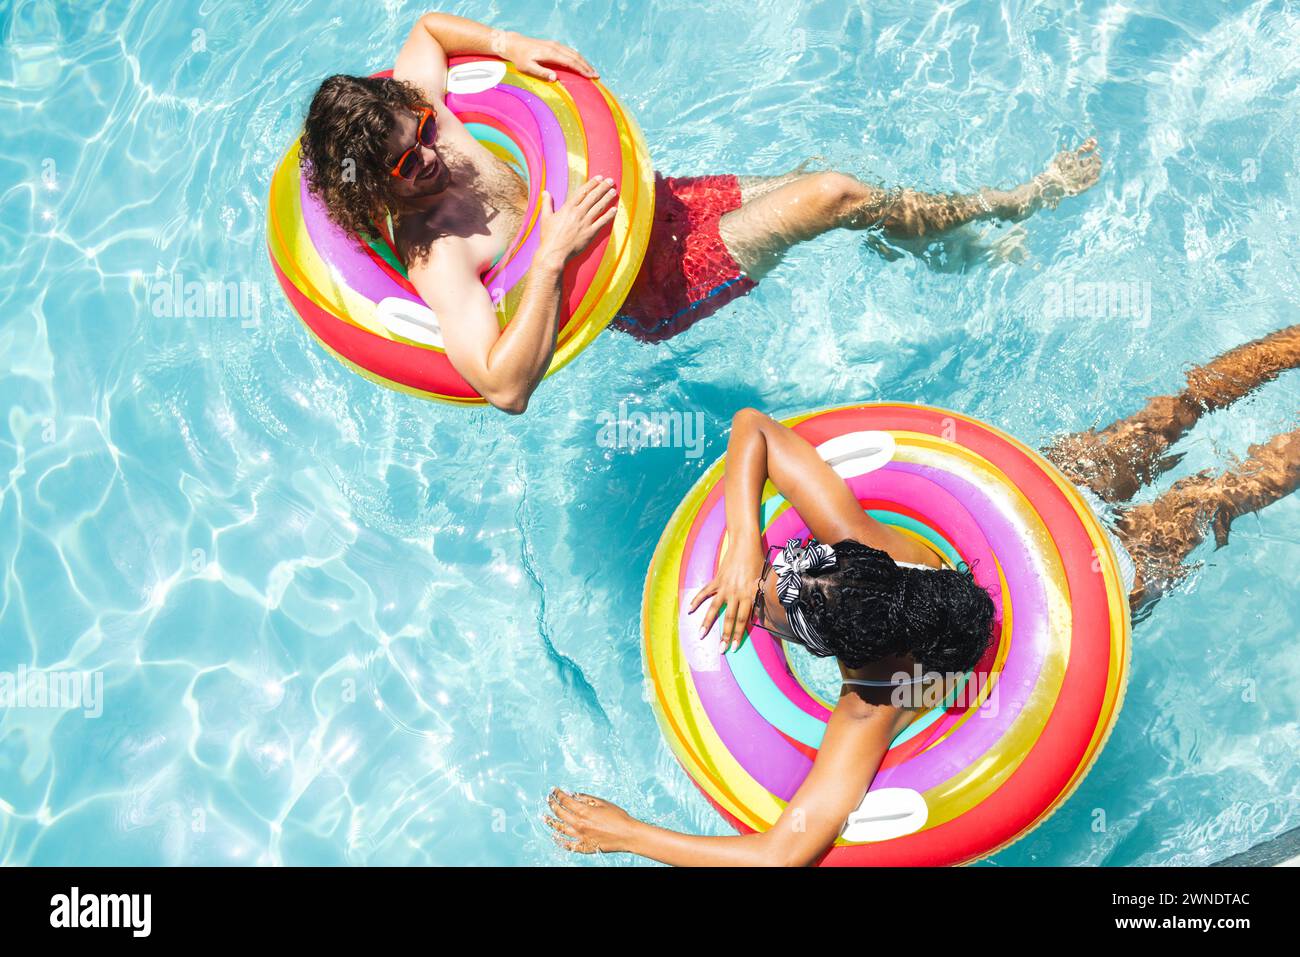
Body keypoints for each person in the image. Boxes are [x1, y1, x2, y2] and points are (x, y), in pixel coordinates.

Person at [544, 323, 1300, 865]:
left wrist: (628, 833)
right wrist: (746, 539)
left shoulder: (873, 698)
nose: (777, 570)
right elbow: (755, 428)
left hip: (1102, 584)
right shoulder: (866, 549)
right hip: (1049, 520)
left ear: (835, 647)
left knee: (1222, 488)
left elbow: (782, 855)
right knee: (1176, 420)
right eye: (794, 558)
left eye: (786, 588)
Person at [299, 11, 1102, 413]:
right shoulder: (436, 256)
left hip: (668, 202)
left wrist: (511, 47)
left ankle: (930, 246)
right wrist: (549, 258)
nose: (431, 153)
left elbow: (426, 28)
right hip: (654, 284)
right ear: (378, 191)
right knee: (835, 193)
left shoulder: (429, 120)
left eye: (422, 130)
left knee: (817, 187)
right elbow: (504, 387)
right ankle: (1008, 206)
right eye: (409, 163)